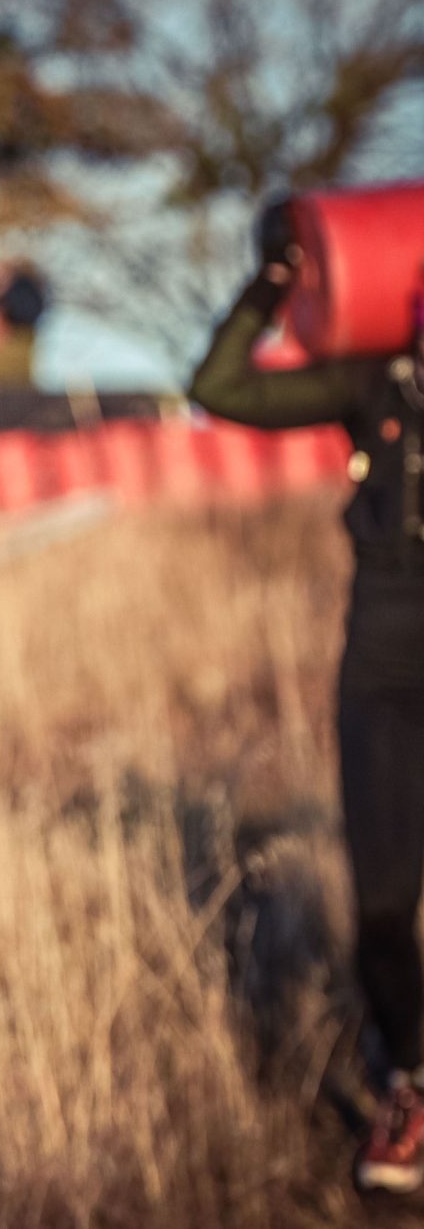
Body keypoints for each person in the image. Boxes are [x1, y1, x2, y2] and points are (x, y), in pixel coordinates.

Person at [189, 203, 424, 1194]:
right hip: (382, 660)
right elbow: (222, 386)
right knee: (380, 904)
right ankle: (408, 1085)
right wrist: (278, 281)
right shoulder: (375, 383)